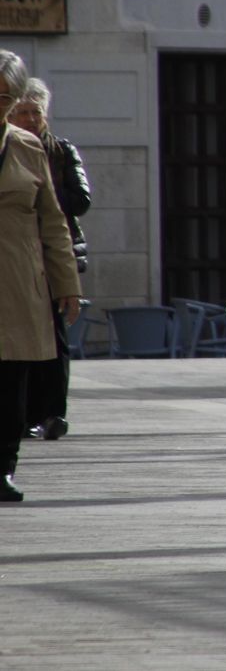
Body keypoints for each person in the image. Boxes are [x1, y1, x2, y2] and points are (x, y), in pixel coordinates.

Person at [0, 50, 83, 503]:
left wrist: (67, 283)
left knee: (13, 382)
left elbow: (54, 221)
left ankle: (3, 467)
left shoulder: (29, 148)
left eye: (4, 98)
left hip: (18, 280)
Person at [9, 78, 90, 441]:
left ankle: (53, 412)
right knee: (18, 340)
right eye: (22, 112)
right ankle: (22, 413)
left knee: (55, 339)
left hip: (53, 255)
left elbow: (79, 200)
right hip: (15, 257)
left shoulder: (60, 150)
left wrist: (43, 196)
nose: (30, 119)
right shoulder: (12, 149)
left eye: (35, 112)